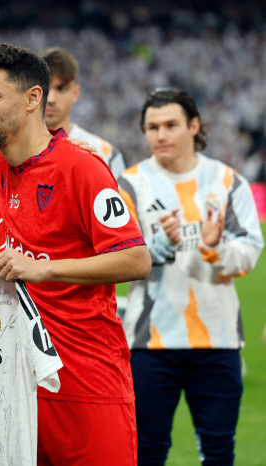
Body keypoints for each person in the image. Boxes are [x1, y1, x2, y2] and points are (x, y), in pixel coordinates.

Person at [0, 43, 151, 465]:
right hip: (12, 381)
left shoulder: (82, 168)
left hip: (85, 380)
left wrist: (42, 270)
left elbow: (136, 259)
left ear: (33, 98)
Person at [117, 88, 264, 466]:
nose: (160, 135)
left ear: (194, 126)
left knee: (218, 451)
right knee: (146, 450)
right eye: (151, 127)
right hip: (150, 343)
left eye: (170, 125)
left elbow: (248, 254)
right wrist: (160, 244)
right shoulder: (129, 185)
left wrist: (213, 247)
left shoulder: (228, 182)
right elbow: (115, 257)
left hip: (218, 338)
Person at [0, 47, 126, 179]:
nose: (51, 99)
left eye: (61, 89)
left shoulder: (107, 155)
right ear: (32, 93)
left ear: (76, 93)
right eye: (46, 89)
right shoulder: (0, 154)